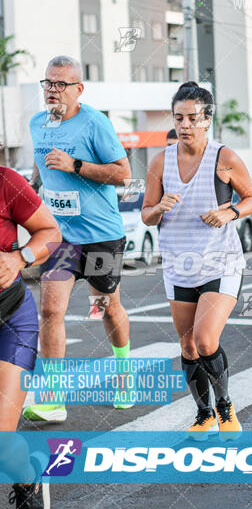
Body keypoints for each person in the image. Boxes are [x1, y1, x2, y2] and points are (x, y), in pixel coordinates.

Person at [142, 81, 252, 439]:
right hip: (179, 265)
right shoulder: (161, 160)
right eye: (179, 117)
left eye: (193, 117)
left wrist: (231, 213)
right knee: (188, 344)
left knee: (206, 339)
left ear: (207, 119)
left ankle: (225, 407)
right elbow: (146, 215)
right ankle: (203, 413)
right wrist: (158, 207)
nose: (185, 124)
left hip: (220, 263)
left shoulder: (224, 157)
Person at [24, 55, 132, 423]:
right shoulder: (37, 123)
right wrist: (29, 192)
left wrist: (76, 166)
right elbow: (40, 167)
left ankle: (123, 372)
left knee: (107, 308)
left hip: (102, 235)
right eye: (48, 83)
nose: (52, 90)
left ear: (78, 89)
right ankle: (52, 399)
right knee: (50, 310)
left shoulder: (95, 124)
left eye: (60, 84)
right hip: (61, 236)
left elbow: (124, 175)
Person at [0, 166, 61, 508]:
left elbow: (50, 231)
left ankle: (29, 479)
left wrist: (19, 257)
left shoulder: (6, 181)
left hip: (9, 319)